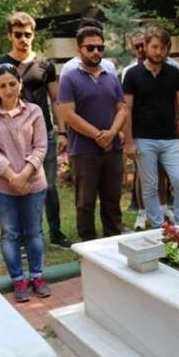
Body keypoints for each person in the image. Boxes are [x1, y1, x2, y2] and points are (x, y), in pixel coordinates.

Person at [0, 11, 72, 249]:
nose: (23, 39)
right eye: (18, 34)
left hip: (44, 134)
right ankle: (26, 239)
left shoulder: (45, 64)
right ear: (9, 36)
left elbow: (56, 100)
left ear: (33, 35)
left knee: (49, 186)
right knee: (20, 187)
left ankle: (56, 233)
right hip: (13, 138)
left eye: (27, 34)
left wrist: (63, 131)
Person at [0, 63, 51, 302]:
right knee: (9, 234)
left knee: (34, 232)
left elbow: (41, 146)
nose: (9, 90)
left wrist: (24, 175)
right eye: (3, 86)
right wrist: (12, 177)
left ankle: (37, 276)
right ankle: (18, 280)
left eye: (13, 84)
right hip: (2, 187)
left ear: (20, 84)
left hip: (33, 184)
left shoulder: (34, 111)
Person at [58, 26, 126, 241]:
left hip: (112, 149)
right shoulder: (69, 78)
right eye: (90, 48)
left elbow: (122, 108)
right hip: (84, 151)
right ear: (79, 49)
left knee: (112, 200)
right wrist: (98, 135)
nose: (96, 52)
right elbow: (68, 114)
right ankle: (88, 249)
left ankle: (113, 242)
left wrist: (112, 133)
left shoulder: (110, 77)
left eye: (100, 48)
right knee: (85, 203)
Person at [123, 26, 179, 228]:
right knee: (150, 186)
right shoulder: (132, 74)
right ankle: (158, 228)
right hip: (143, 139)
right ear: (145, 46)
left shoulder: (174, 73)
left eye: (163, 47)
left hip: (171, 139)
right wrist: (129, 142)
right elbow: (126, 109)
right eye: (154, 47)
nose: (158, 52)